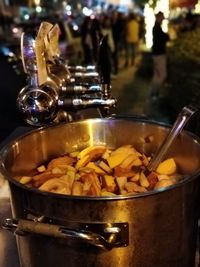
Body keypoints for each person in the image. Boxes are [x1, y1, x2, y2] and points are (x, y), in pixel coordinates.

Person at [150, 11, 170, 100]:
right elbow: (163, 38)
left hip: (156, 54)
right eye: (162, 17)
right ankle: (155, 93)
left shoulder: (157, 27)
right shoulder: (157, 28)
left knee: (157, 75)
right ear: (158, 17)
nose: (163, 19)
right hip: (159, 54)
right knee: (162, 75)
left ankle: (154, 93)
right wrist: (167, 36)